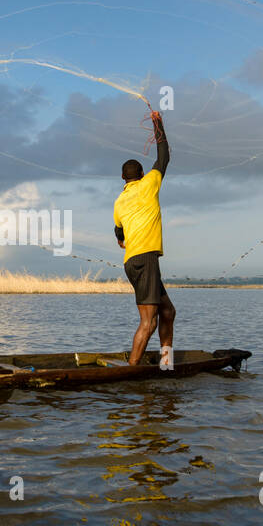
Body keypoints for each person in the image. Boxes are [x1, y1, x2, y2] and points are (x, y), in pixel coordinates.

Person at [113, 110, 176, 367]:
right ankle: (131, 371)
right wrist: (157, 122)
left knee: (168, 312)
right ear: (141, 175)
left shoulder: (119, 201)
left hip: (133, 260)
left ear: (122, 178)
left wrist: (123, 240)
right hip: (146, 259)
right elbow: (164, 155)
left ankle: (166, 363)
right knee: (148, 322)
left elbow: (119, 233)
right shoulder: (150, 183)